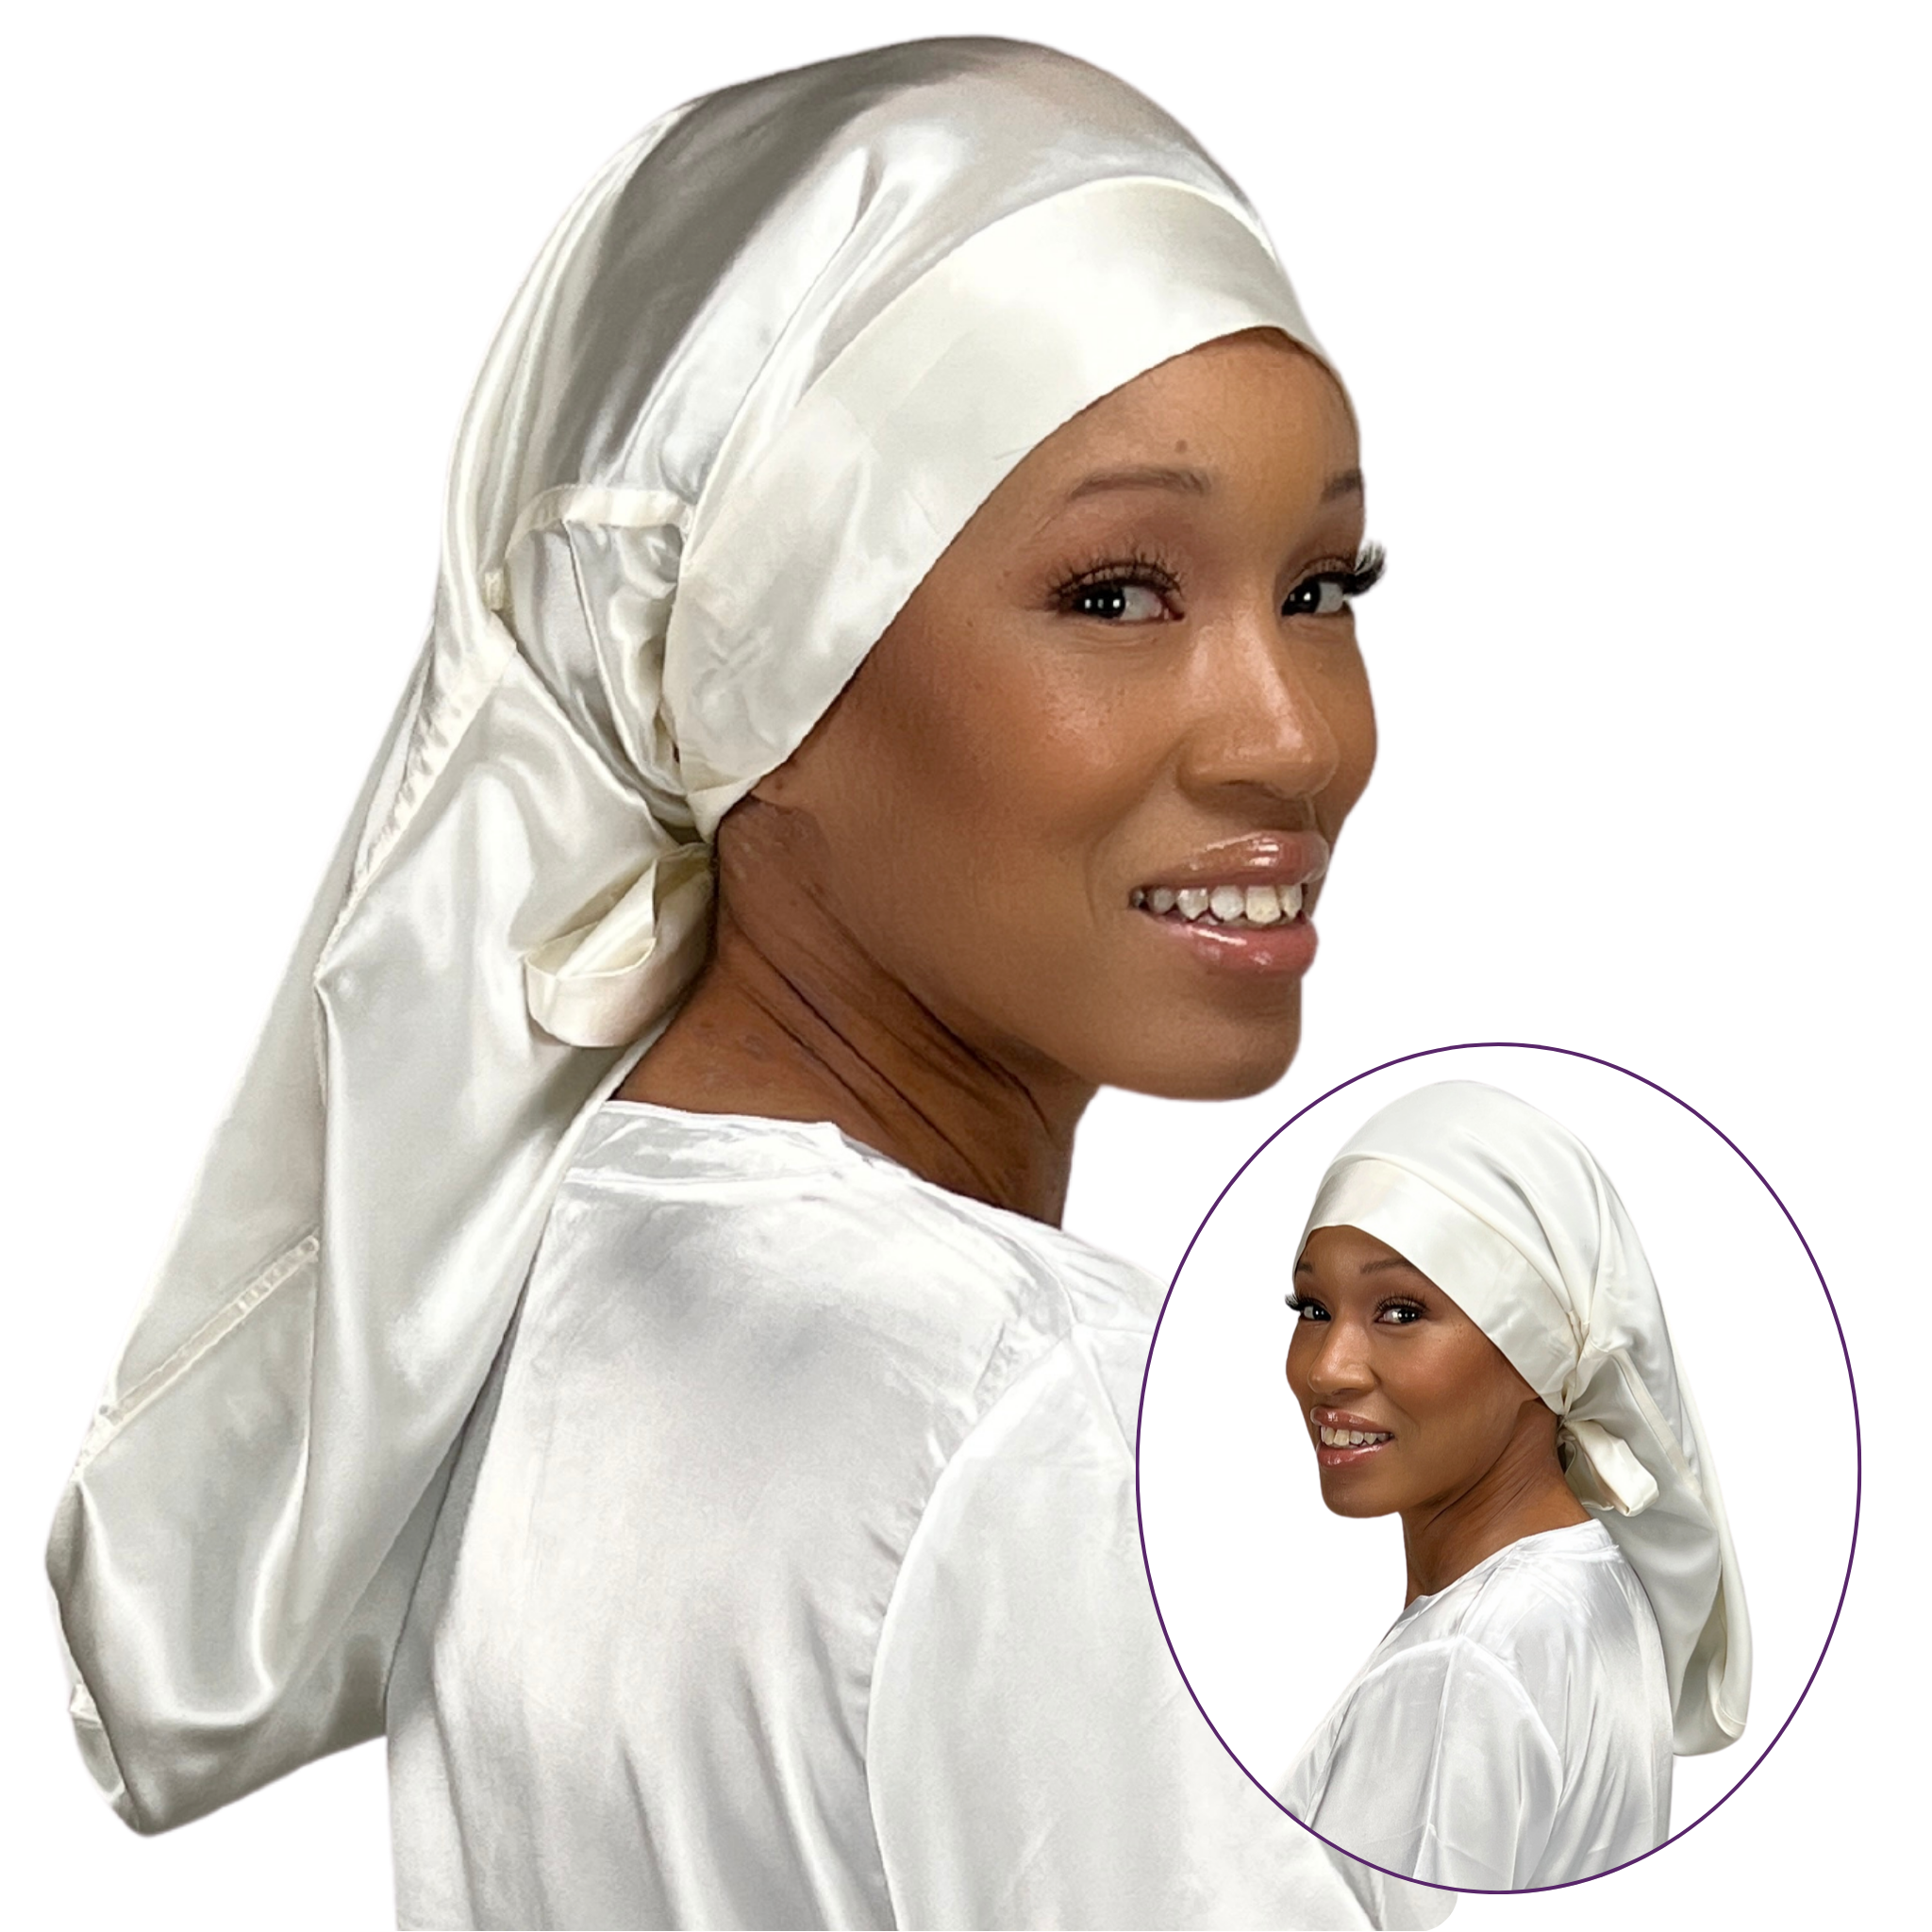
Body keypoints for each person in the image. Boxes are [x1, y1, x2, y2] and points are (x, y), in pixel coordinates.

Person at [45, 36, 1445, 1930]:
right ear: (751, 668)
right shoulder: (1029, 1414)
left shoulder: (535, 1286)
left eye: (1322, 585)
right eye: (1116, 593)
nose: (1291, 736)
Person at [1277, 1079, 1751, 1890]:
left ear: (1541, 1348)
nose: (1327, 1369)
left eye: (1400, 1312)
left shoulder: (1463, 1660)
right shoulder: (1589, 1592)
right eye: (1313, 1307)